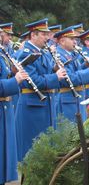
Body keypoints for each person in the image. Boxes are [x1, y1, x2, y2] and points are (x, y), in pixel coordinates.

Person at [15, 18, 67, 161]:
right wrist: (55, 77)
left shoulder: (42, 52)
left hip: (44, 105)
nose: (47, 38)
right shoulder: (26, 53)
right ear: (33, 35)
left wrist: (56, 69)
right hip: (32, 107)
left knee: (46, 150)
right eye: (44, 34)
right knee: (32, 152)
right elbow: (33, 81)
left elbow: (46, 74)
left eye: (47, 34)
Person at [0, 31, 29, 185]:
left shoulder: (2, 54)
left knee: (4, 157)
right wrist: (15, 80)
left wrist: (12, 74)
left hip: (5, 108)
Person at [55, 26, 89, 122]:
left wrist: (85, 66)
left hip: (76, 99)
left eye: (75, 39)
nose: (75, 42)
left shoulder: (71, 54)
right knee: (71, 134)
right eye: (71, 39)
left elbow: (75, 71)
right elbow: (69, 78)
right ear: (62, 41)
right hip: (68, 101)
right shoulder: (58, 56)